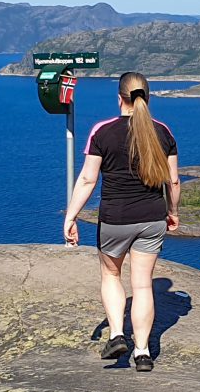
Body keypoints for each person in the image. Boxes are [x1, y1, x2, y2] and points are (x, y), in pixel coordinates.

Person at [63, 72, 180, 372]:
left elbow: (88, 178)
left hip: (115, 219)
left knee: (111, 277)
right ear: (147, 97)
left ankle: (116, 334)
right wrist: (173, 212)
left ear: (119, 97)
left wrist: (71, 216)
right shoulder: (163, 132)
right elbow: (174, 181)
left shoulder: (102, 132)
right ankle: (143, 353)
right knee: (142, 287)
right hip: (152, 217)